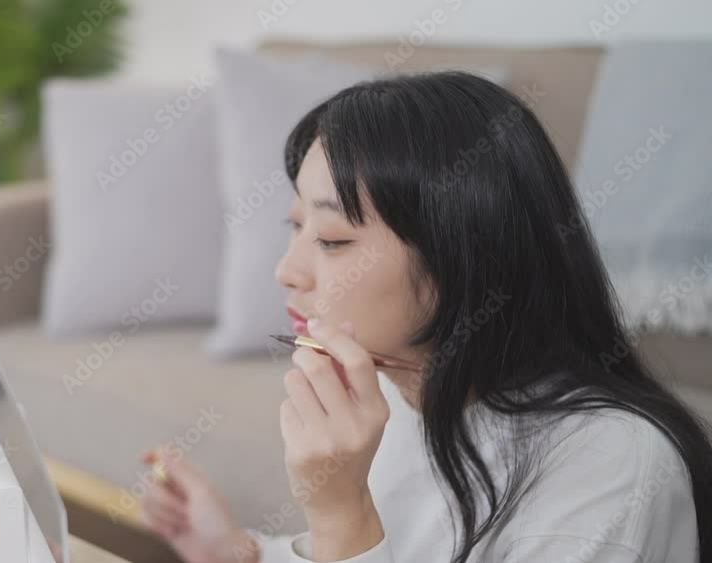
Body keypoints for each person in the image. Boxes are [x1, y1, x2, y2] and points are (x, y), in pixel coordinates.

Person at [136, 72, 712, 562]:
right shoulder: (398, 394)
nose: (287, 271)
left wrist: (340, 510)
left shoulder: (613, 469)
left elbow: (355, 542)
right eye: (295, 226)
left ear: (467, 258)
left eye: (331, 239)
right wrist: (234, 550)